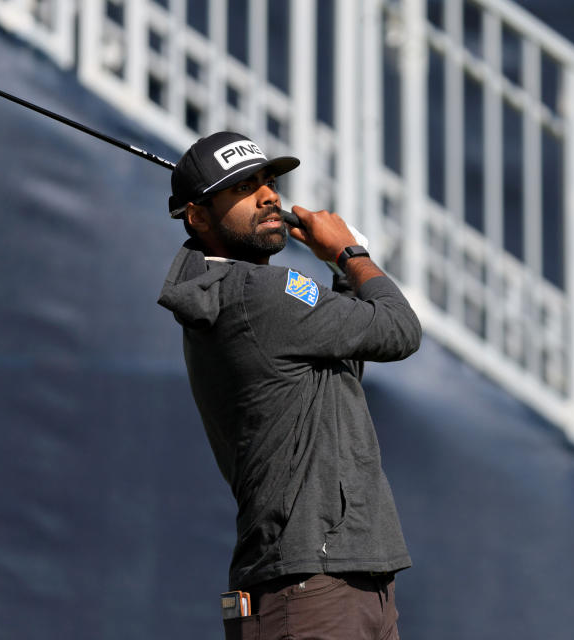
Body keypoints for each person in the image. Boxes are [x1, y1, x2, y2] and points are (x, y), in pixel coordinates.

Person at [157, 131, 422, 640]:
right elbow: (398, 330)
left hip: (327, 584)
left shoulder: (240, 294)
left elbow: (343, 355)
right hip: (315, 589)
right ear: (197, 217)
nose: (269, 197)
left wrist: (342, 274)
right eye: (243, 189)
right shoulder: (261, 292)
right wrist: (348, 253)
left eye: (268, 181)